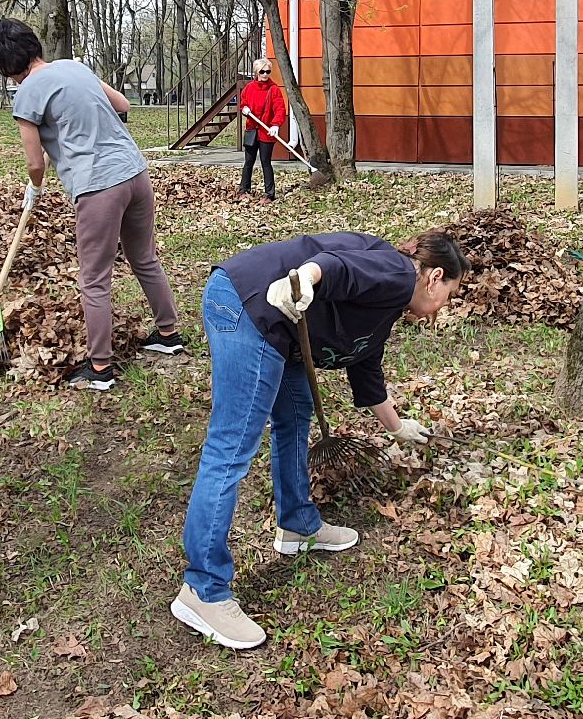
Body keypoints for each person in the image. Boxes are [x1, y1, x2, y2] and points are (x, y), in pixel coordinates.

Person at [173, 230, 468, 650]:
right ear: (435, 277)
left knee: (295, 418)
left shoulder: (389, 302)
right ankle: (203, 590)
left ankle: (298, 526)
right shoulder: (399, 273)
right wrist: (302, 281)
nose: (442, 308)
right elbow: (335, 267)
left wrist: (397, 427)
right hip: (250, 309)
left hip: (283, 332)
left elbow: (366, 366)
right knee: (230, 450)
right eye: (449, 296)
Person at [0, 17, 183, 390]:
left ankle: (100, 368)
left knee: (94, 278)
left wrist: (35, 187)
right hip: (135, 173)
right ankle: (168, 335)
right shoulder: (74, 67)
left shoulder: (26, 92)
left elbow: (33, 162)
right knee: (144, 259)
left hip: (98, 187)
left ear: (7, 66)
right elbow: (123, 104)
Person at [237, 58, 287, 201]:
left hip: (267, 132)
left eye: (268, 71)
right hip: (252, 130)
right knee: (248, 162)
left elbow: (280, 109)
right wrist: (244, 109)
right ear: (257, 72)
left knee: (266, 162)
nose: (265, 74)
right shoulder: (249, 88)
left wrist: (276, 125)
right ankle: (243, 190)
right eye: (262, 71)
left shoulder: (274, 89)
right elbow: (243, 102)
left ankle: (269, 194)